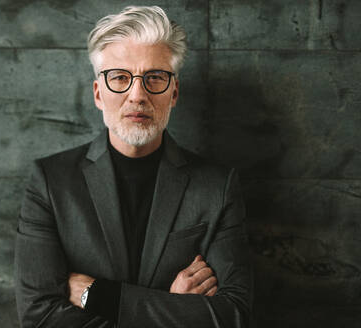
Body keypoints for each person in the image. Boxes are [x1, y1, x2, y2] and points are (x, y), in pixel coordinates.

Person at [15, 6, 253, 328]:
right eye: (120, 78)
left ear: (174, 93)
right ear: (99, 93)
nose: (137, 95)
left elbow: (234, 315)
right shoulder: (50, 182)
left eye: (154, 77)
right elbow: (39, 317)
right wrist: (172, 306)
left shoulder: (217, 186)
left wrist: (98, 295)